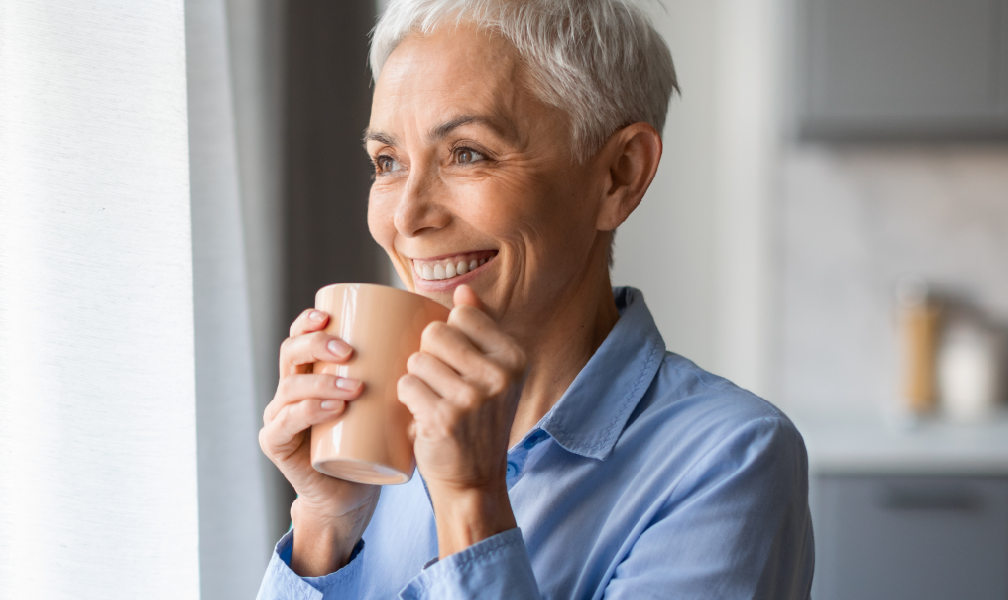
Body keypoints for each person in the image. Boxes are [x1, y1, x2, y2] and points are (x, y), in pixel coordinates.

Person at [256, 0, 814, 597]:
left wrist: (472, 505)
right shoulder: (372, 444)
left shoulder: (730, 460)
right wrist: (325, 526)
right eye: (387, 162)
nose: (408, 215)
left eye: (466, 152)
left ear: (620, 175)